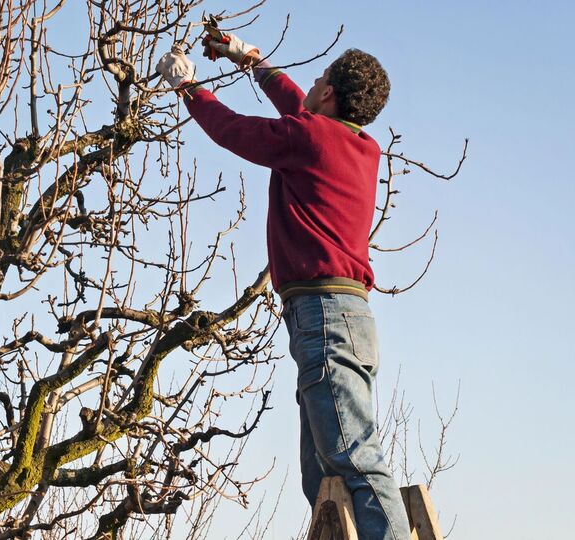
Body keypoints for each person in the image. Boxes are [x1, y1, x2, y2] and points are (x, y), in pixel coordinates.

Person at [155, 34, 408, 539]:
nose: (310, 84)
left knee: (355, 460)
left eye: (319, 80)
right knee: (322, 475)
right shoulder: (356, 146)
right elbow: (299, 105)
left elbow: (234, 131)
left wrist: (188, 88)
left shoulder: (308, 139)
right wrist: (249, 58)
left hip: (324, 316)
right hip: (338, 317)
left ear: (331, 94)